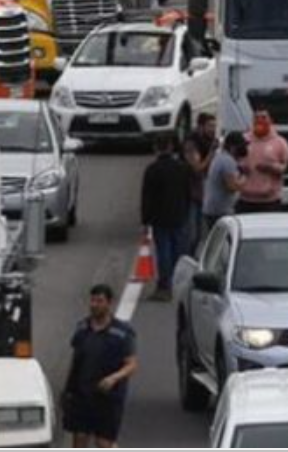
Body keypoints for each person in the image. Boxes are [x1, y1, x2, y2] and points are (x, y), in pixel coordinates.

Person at [62, 284, 138, 447]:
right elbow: (75, 360)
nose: (94, 305)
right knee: (79, 438)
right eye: (92, 300)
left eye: (99, 301)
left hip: (108, 398)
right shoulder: (82, 328)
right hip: (82, 395)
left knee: (103, 443)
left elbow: (131, 364)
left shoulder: (122, 333)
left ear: (109, 303)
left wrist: (113, 378)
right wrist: (68, 389)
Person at [141, 135, 191, 301]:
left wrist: (146, 220)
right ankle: (179, 284)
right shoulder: (182, 167)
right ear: (171, 147)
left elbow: (147, 197)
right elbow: (188, 192)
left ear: (156, 148)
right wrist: (186, 210)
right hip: (179, 215)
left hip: (160, 217)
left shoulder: (152, 169)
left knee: (164, 252)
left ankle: (164, 286)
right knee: (179, 251)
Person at [237, 110, 288, 213]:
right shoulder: (243, 139)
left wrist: (272, 168)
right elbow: (232, 162)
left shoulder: (280, 141)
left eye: (263, 117)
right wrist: (240, 167)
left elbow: (286, 167)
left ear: (270, 121)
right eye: (256, 118)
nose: (260, 120)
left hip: (270, 201)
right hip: (245, 199)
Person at [203, 131, 247, 242]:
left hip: (215, 209)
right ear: (233, 147)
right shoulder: (227, 161)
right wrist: (244, 179)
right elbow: (231, 187)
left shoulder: (221, 157)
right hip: (219, 212)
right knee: (223, 243)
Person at [183, 114, 218, 254]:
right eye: (210, 126)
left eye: (214, 126)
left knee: (201, 234)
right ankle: (186, 258)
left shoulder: (210, 141)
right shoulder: (191, 144)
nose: (213, 129)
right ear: (200, 126)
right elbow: (197, 168)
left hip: (204, 193)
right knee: (193, 235)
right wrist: (212, 153)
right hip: (191, 193)